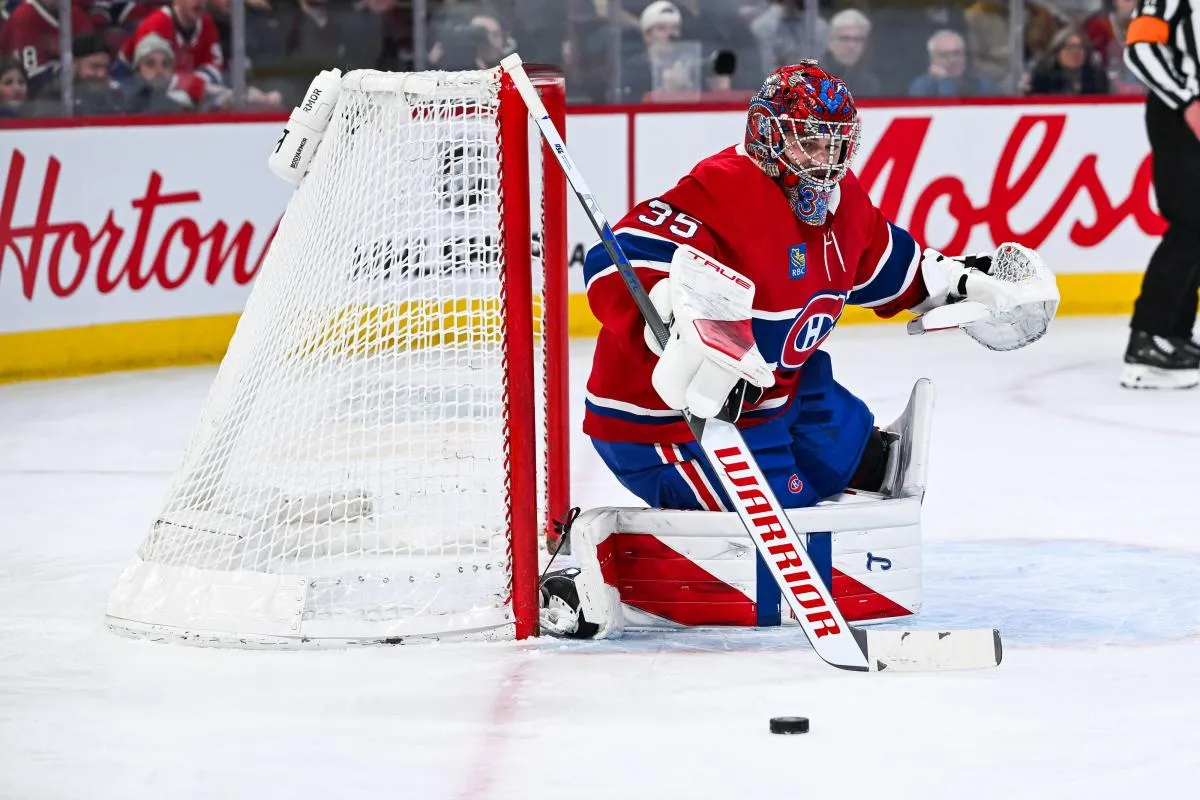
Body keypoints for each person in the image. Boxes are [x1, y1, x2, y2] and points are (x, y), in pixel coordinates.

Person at [540, 60, 1058, 637]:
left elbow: (896, 269)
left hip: (769, 395)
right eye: (811, 144)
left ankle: (847, 457)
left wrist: (969, 284)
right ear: (767, 137)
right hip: (667, 422)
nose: (827, 163)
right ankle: (590, 561)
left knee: (846, 445)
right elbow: (615, 262)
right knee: (781, 523)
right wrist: (671, 313)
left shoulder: (842, 205)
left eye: (838, 146)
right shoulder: (721, 193)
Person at [1120, 0, 1200, 388]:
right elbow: (1139, 47)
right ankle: (1149, 338)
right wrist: (1188, 100)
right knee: (1191, 220)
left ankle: (1174, 335)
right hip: (1181, 112)